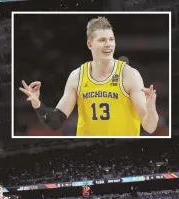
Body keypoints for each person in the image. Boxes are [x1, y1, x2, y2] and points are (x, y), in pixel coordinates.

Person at [20, 16, 158, 136]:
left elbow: (150, 127)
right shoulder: (77, 76)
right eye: (102, 40)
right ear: (89, 44)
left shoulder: (129, 75)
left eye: (111, 39)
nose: (108, 44)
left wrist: (151, 109)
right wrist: (37, 104)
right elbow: (55, 123)